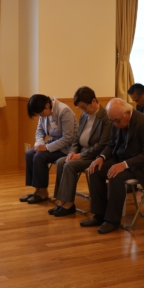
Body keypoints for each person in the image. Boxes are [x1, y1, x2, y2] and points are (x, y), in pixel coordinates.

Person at [81, 99, 144, 234]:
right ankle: (99, 215)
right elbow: (111, 144)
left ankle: (112, 221)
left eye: (117, 121)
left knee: (115, 176)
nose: (115, 124)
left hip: (141, 166)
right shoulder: (116, 120)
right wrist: (101, 157)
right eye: (112, 121)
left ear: (127, 114)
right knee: (95, 170)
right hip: (121, 159)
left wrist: (125, 164)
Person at [50, 87, 111, 217]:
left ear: (94, 101)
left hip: (94, 156)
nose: (83, 110)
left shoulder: (105, 117)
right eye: (80, 108)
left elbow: (103, 144)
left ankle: (69, 204)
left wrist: (80, 155)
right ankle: (62, 201)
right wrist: (72, 152)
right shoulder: (84, 116)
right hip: (81, 152)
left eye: (84, 107)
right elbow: (76, 138)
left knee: (70, 165)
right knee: (61, 162)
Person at [21, 93, 77, 205]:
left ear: (47, 105)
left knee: (39, 157)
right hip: (54, 143)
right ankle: (37, 190)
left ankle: (43, 192)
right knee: (29, 154)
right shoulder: (44, 112)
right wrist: (39, 144)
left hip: (67, 148)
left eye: (41, 114)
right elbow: (39, 131)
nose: (41, 116)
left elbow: (68, 138)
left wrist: (46, 147)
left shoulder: (64, 111)